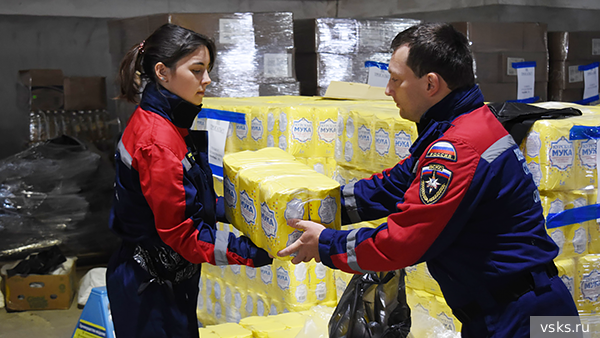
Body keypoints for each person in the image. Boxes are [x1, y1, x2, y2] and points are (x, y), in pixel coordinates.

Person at [278, 22, 579, 337]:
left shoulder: (457, 148)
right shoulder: (468, 125)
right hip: (537, 306)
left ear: (431, 84)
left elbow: (401, 244)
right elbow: (390, 186)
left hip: (519, 320)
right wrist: (318, 204)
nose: (388, 90)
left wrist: (325, 243)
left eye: (396, 80)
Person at [106, 23, 272, 338]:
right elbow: (183, 232)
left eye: (207, 70)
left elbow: (191, 200)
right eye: (197, 70)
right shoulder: (158, 142)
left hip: (166, 277)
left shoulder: (170, 125)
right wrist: (251, 251)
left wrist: (251, 213)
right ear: (162, 72)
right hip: (150, 283)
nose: (206, 80)